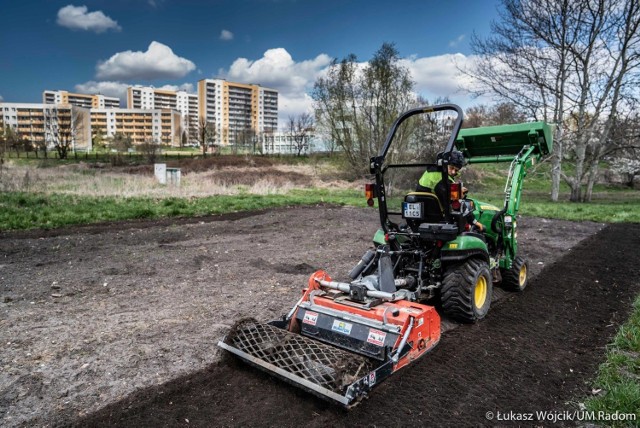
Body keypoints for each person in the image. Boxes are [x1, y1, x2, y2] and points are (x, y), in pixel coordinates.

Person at [416, 150, 484, 232]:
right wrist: (473, 221)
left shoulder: (430, 172)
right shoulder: (443, 179)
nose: (453, 172)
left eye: (456, 170)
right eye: (451, 168)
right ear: (444, 164)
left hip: (423, 214)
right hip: (438, 218)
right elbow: (457, 204)